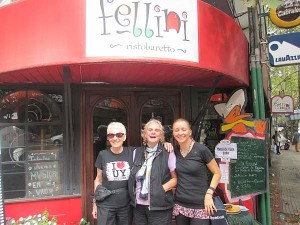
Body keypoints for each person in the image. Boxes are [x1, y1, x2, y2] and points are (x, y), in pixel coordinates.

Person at [172, 118, 222, 225]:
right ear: (173, 133)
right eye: (176, 130)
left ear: (190, 131)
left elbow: (217, 173)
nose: (180, 133)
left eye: (183, 129)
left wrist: (209, 193)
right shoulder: (174, 151)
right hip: (180, 205)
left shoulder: (201, 150)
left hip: (201, 204)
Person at [128, 119, 177, 225]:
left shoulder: (168, 153)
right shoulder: (136, 152)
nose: (153, 132)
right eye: (150, 130)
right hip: (139, 207)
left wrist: (161, 189)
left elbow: (175, 178)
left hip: (160, 206)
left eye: (157, 130)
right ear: (145, 134)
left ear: (161, 135)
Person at [92, 122, 134, 225]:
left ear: (124, 137)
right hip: (105, 205)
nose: (115, 138)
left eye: (119, 135)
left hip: (125, 205)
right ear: (108, 138)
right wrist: (95, 203)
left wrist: (165, 144)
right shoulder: (103, 154)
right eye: (111, 135)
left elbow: (151, 149)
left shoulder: (133, 153)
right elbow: (98, 179)